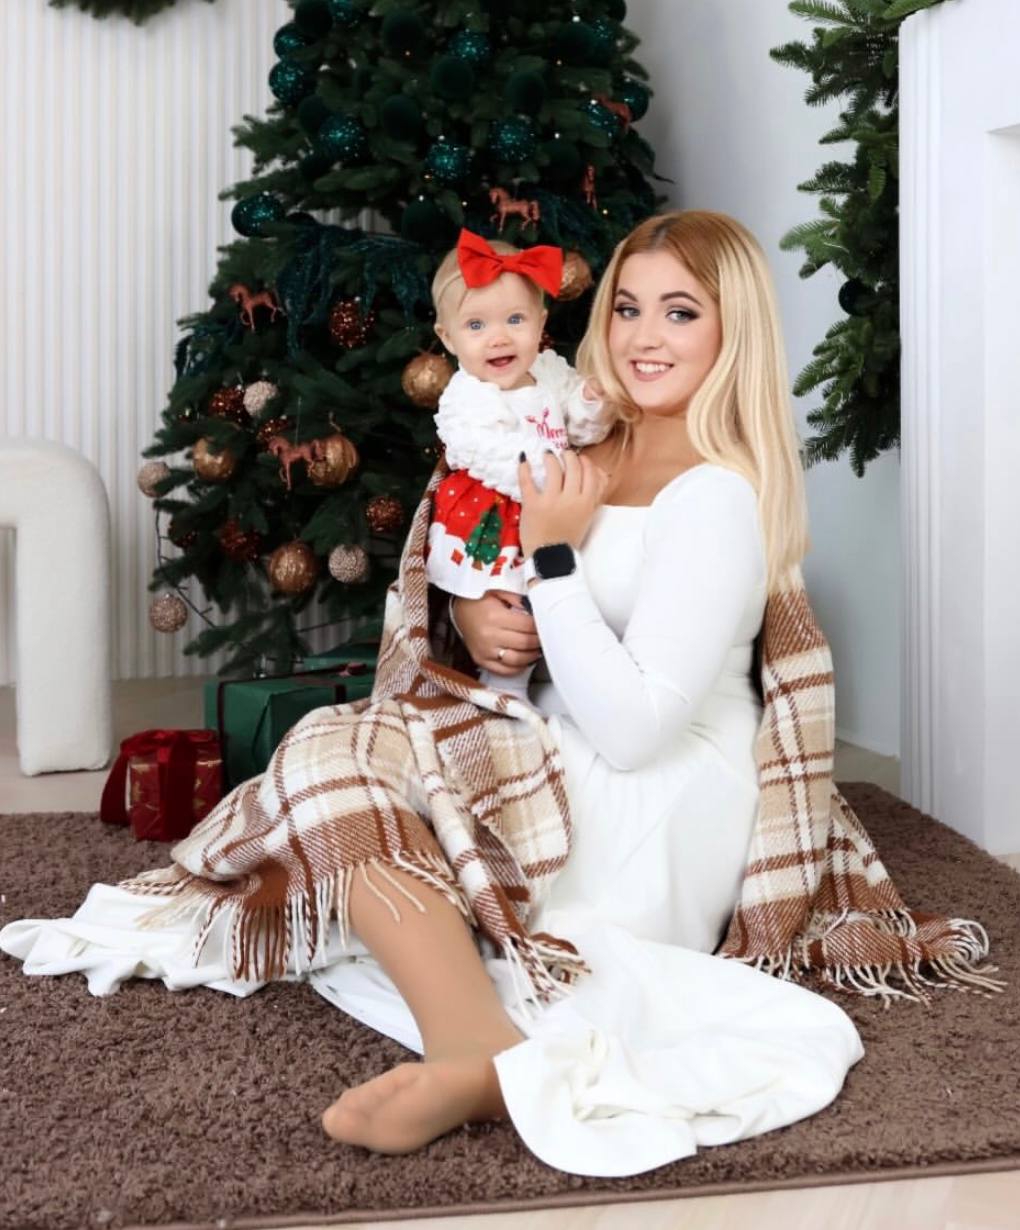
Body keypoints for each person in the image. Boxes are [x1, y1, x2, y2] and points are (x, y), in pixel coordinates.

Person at [4, 209, 945, 1177]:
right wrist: (477, 617)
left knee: (344, 767)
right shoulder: (584, 439)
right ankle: (475, 1045)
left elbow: (634, 728)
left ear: (731, 331)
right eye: (626, 308)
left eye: (680, 312)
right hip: (546, 736)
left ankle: (467, 1034)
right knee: (336, 753)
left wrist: (554, 557)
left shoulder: (716, 494)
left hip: (653, 795)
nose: (644, 337)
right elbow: (507, 584)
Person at [426, 228, 609, 703]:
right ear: (447, 338)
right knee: (513, 603)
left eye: (515, 319)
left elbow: (580, 425)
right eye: (476, 325)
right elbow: (485, 452)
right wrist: (550, 478)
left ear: (540, 321)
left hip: (551, 501)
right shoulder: (468, 396)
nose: (499, 338)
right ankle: (505, 688)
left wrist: (590, 401)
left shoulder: (547, 371)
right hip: (502, 506)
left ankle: (562, 683)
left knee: (557, 597)